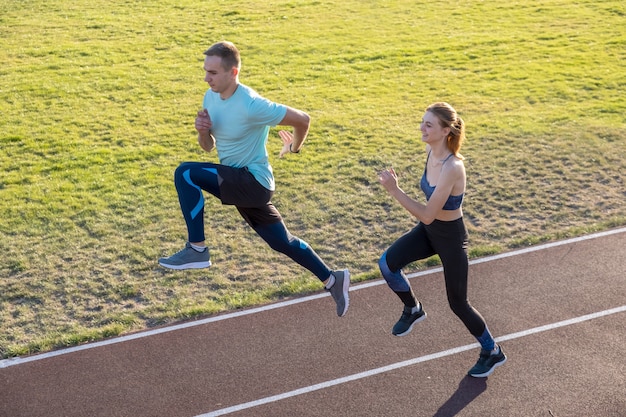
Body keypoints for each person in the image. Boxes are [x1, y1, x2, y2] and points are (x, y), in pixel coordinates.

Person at [159, 41, 350, 317]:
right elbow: (209, 147)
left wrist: (294, 148)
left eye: (213, 72)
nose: (206, 78)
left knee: (185, 173)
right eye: (205, 71)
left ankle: (197, 249)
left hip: (252, 181)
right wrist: (203, 131)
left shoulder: (252, 104)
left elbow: (303, 119)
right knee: (281, 241)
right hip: (238, 181)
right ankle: (333, 279)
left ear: (233, 72)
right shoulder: (210, 97)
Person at [377, 102, 506, 377]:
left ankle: (492, 351)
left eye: (428, 124)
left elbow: (426, 214)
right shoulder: (430, 151)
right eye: (422, 122)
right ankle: (413, 308)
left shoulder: (453, 167)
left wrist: (394, 189)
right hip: (430, 233)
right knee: (387, 265)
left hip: (450, 237)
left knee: (458, 303)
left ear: (446, 130)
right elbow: (427, 220)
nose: (422, 128)